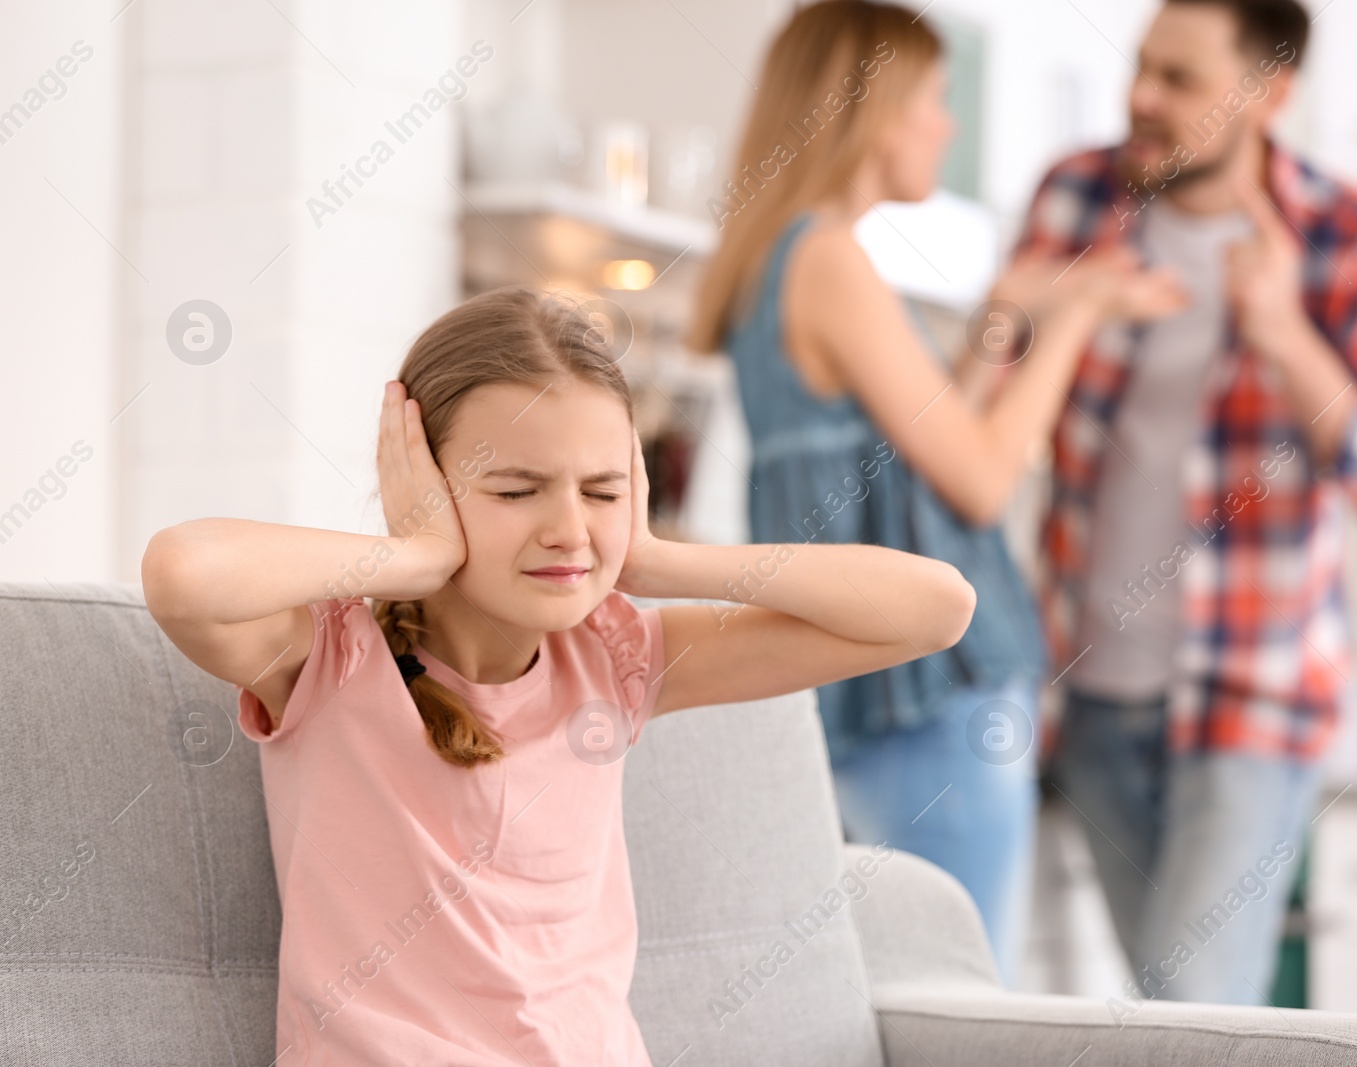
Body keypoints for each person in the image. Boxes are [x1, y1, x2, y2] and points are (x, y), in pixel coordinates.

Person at [140, 286, 980, 1065]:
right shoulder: (329, 658)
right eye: (517, 489)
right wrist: (415, 554)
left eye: (602, 490)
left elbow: (937, 607)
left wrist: (655, 559)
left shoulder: (614, 658)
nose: (569, 529)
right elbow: (182, 572)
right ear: (423, 482)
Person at [684, 0, 1186, 987]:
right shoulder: (830, 258)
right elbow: (982, 474)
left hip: (850, 692)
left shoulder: (779, 258)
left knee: (885, 993)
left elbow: (910, 442)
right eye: (932, 99)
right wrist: (1078, 311)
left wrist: (1004, 317)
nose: (944, 126)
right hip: (926, 686)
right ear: (871, 113)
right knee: (962, 1001)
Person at [969, 0, 1357, 1005]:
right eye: (1140, 67)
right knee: (1175, 1018)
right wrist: (1014, 309)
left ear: (1269, 93)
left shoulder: (1355, 239)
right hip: (1089, 694)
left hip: (1253, 696)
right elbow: (974, 416)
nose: (1139, 97)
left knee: (1189, 1003)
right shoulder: (1076, 199)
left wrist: (1283, 333)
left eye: (1179, 79)